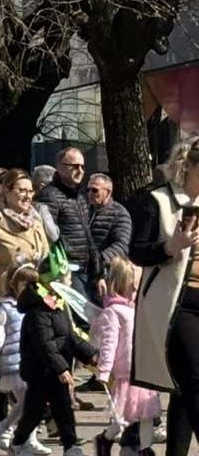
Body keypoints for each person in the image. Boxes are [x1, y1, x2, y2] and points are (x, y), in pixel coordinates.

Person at [129, 134, 199, 448]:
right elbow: (137, 251)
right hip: (175, 304)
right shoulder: (157, 200)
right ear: (189, 167)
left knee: (186, 387)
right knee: (196, 380)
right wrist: (172, 246)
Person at [10, 258, 98, 456]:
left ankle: (70, 445)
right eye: (67, 277)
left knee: (64, 408)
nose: (70, 281)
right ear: (54, 281)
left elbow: (69, 336)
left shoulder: (57, 303)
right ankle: (18, 443)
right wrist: (61, 368)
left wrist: (91, 355)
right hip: (40, 371)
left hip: (56, 370)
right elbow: (45, 343)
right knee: (35, 410)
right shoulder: (38, 311)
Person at [91, 256, 161, 456]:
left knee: (147, 413)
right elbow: (109, 343)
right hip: (126, 371)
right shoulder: (113, 311)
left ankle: (145, 449)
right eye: (134, 284)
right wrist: (104, 371)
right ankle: (105, 438)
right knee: (123, 416)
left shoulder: (138, 308)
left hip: (144, 370)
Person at [0, 263, 49, 453]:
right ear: (14, 284)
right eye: (25, 283)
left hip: (32, 362)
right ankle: (20, 436)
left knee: (30, 403)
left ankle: (10, 429)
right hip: (14, 364)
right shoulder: (6, 308)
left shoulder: (37, 307)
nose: (30, 287)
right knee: (31, 403)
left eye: (34, 283)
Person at [36, 147, 100, 298]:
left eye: (82, 166)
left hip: (85, 268)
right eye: (74, 166)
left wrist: (97, 266)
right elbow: (48, 235)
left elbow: (86, 232)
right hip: (67, 269)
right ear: (59, 167)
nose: (80, 170)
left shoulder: (80, 196)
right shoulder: (50, 196)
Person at [0, 169, 50, 296]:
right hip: (7, 296)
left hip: (36, 295)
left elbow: (46, 263)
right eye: (21, 191)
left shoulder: (36, 223)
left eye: (30, 191)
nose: (27, 196)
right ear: (6, 191)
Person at [86, 173, 132, 279]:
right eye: (88, 190)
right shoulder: (84, 211)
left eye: (94, 190)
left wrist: (100, 259)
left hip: (106, 273)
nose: (90, 193)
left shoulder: (119, 214)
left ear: (108, 192)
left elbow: (121, 245)